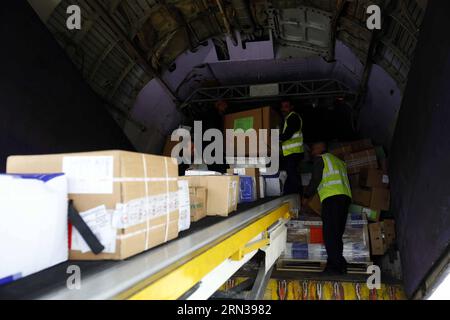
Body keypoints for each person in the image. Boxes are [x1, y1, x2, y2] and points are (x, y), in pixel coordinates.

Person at [303, 142, 352, 274]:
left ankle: (334, 267)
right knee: (336, 234)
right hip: (345, 198)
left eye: (313, 149)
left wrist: (306, 196)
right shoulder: (339, 161)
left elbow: (316, 179)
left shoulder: (321, 159)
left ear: (320, 148)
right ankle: (339, 263)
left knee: (330, 234)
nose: (312, 152)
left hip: (332, 198)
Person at [280, 100, 304, 195]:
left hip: (294, 152)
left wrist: (275, 137)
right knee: (291, 174)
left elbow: (288, 135)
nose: (283, 109)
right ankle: (288, 192)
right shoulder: (289, 118)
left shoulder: (293, 117)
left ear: (291, 107)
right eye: (282, 107)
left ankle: (297, 194)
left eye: (286, 106)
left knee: (293, 174)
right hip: (292, 152)